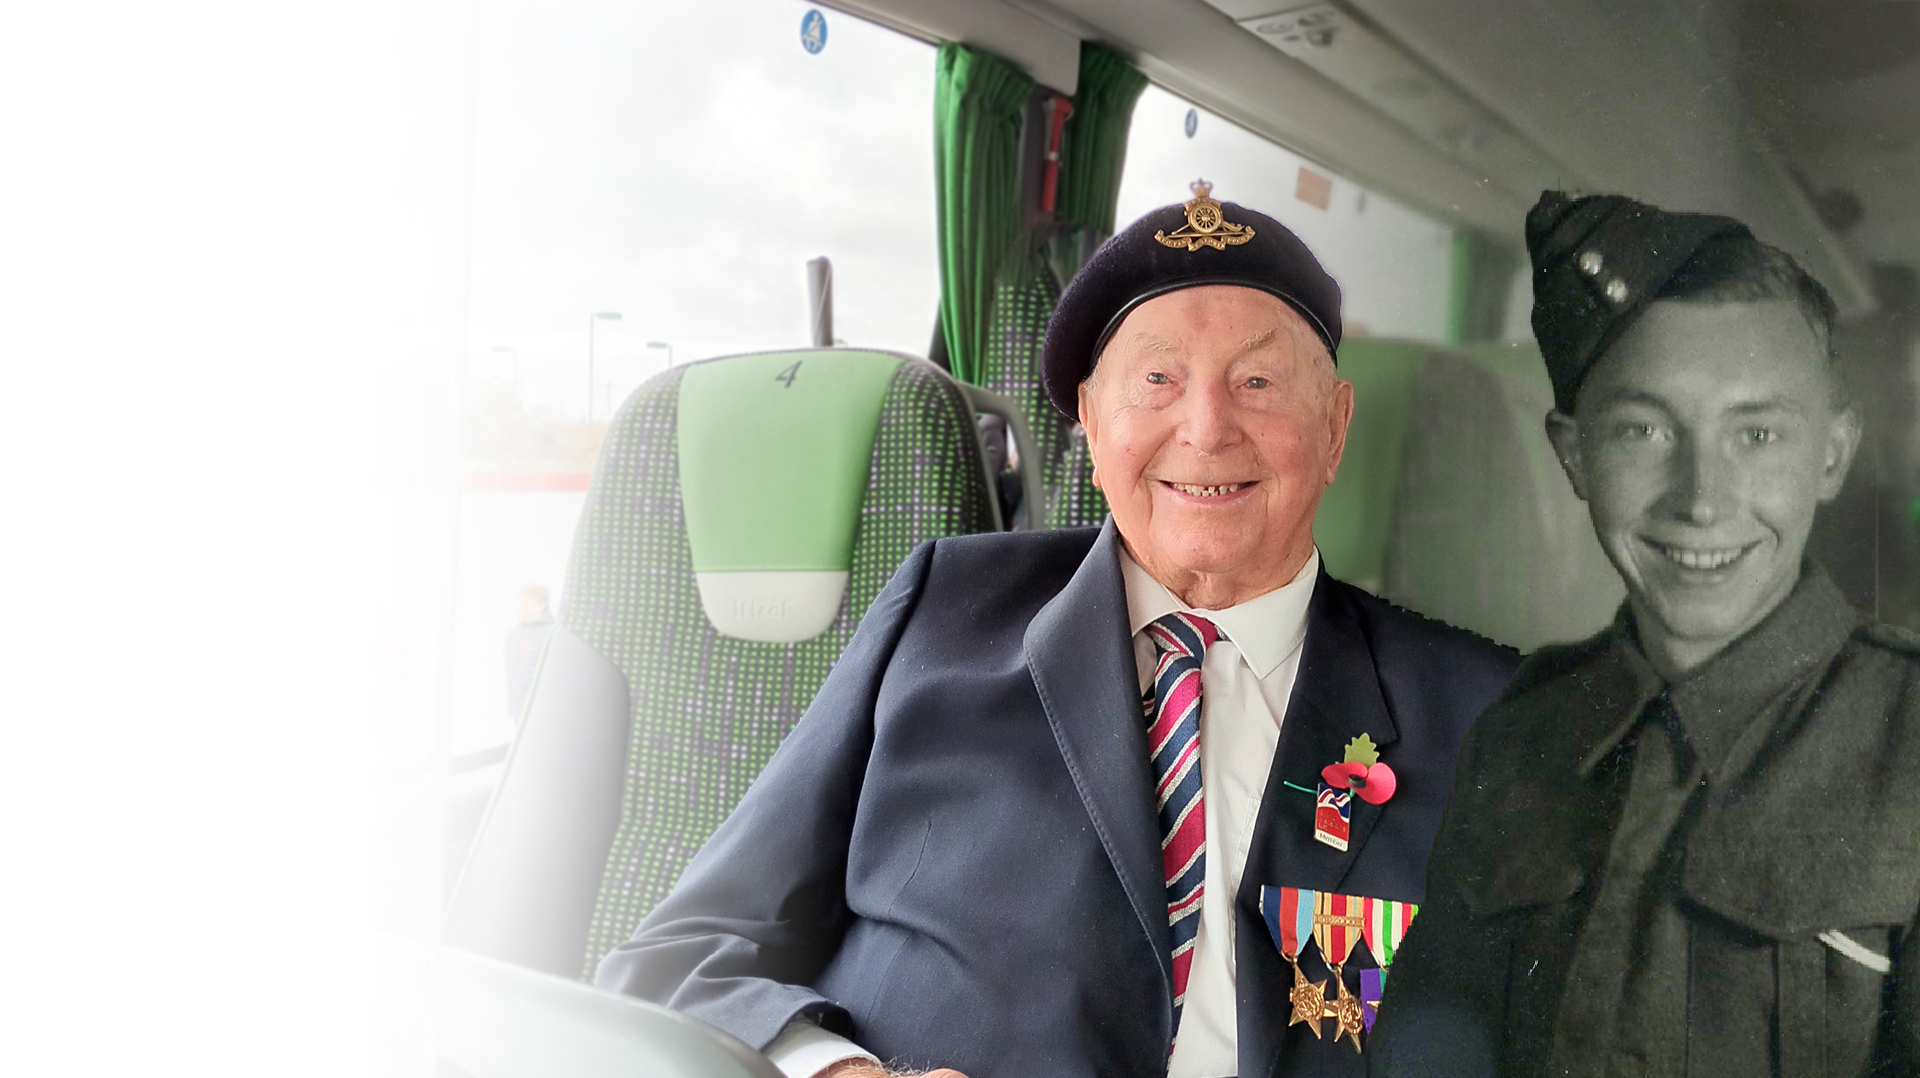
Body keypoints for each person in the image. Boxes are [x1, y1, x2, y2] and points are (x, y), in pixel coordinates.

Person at [595, 182, 1518, 1078]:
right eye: (1156, 379)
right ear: (1088, 416)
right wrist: (830, 1069)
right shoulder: (946, 610)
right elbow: (685, 951)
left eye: (1260, 380)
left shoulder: (1487, 714)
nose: (1206, 428)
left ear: (1336, 427)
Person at [1370, 192, 1920, 1077]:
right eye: (1644, 429)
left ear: (1831, 454)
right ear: (1576, 455)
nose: (1700, 498)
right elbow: (1433, 1033)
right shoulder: (1518, 731)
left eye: (1758, 433)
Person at [502, 583, 553, 721]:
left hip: (544, 712)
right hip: (519, 712)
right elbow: (510, 675)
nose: (522, 604)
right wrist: (515, 708)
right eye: (521, 600)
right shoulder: (513, 636)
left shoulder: (553, 634)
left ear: (541, 605)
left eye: (528, 600)